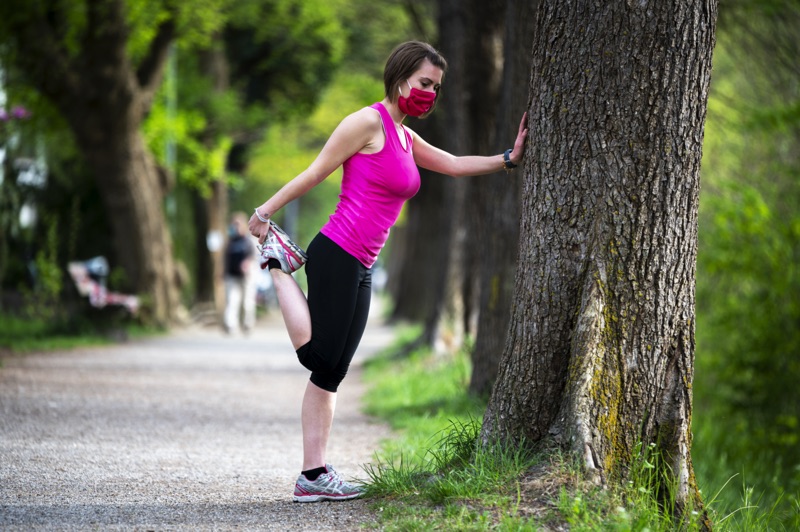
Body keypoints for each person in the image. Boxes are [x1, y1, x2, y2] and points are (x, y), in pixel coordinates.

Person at [248, 40, 528, 503]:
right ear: (400, 79)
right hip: (337, 251)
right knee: (319, 360)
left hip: (363, 263)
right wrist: (265, 210)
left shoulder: (405, 137)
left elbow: (455, 166)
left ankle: (313, 476)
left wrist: (507, 160)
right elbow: (317, 171)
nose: (430, 94)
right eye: (424, 83)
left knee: (333, 372)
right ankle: (278, 263)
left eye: (436, 88)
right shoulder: (367, 122)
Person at [223, 212, 258, 334]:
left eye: (238, 224)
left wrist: (248, 263)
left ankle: (248, 324)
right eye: (234, 224)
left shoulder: (249, 240)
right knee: (232, 301)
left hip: (247, 276)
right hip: (232, 276)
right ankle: (230, 325)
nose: (235, 227)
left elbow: (254, 256)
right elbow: (225, 258)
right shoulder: (230, 241)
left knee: (247, 302)